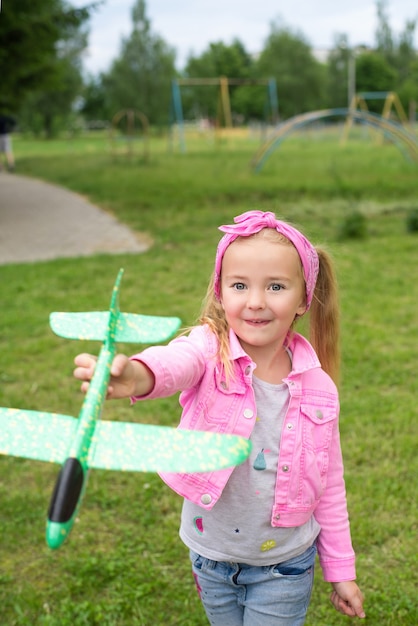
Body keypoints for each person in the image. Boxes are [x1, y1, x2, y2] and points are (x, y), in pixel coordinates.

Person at [74, 210, 365, 625]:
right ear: (220, 290)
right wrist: (136, 376)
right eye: (240, 285)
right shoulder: (210, 351)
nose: (256, 301)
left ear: (304, 297)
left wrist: (341, 571)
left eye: (276, 286)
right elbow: (174, 363)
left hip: (285, 565)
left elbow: (330, 486)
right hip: (210, 559)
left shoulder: (319, 388)